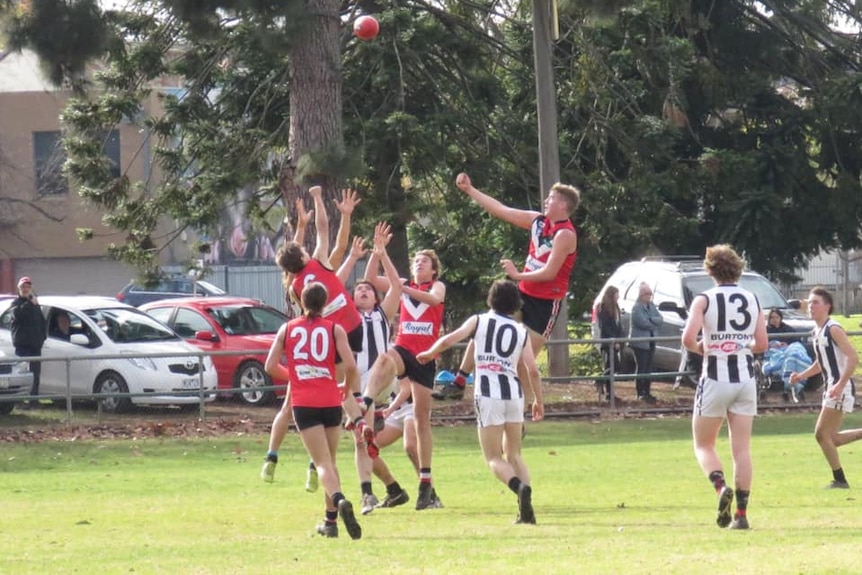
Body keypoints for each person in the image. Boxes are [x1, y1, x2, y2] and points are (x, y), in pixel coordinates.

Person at [261, 186, 374, 484]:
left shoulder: (293, 286)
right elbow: (327, 232)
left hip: (315, 343)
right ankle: (357, 417)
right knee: (338, 388)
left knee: (289, 404)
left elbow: (292, 257)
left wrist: (299, 226)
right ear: (304, 255)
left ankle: (271, 456)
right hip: (346, 329)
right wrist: (318, 198)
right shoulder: (319, 263)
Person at [433, 173, 580, 400]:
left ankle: (526, 409)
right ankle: (459, 382)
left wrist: (517, 274)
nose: (545, 201)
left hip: (545, 305)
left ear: (562, 205)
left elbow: (550, 273)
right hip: (522, 295)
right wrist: (470, 190)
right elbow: (501, 210)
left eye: (550, 198)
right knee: (485, 328)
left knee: (523, 362)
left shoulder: (565, 235)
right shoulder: (538, 222)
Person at [417, 279, 544, 523]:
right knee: (515, 454)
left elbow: (449, 340)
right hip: (514, 395)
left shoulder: (479, 320)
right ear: (515, 303)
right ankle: (526, 510)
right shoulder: (521, 331)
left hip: (488, 394)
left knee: (493, 457)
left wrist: (430, 353)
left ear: (491, 299)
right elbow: (533, 370)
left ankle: (518, 487)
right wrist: (538, 401)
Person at [264, 282, 363, 539]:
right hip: (331, 400)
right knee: (330, 462)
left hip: (305, 402)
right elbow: (351, 365)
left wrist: (295, 377)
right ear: (325, 302)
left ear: (300, 301)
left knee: (322, 465)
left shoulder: (287, 329)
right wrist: (346, 387)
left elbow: (270, 365)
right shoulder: (334, 329)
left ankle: (339, 500)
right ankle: (330, 523)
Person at [682, 244, 768, 531]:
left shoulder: (704, 300)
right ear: (737, 268)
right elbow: (762, 344)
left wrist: (704, 347)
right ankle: (741, 515)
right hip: (745, 379)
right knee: (741, 450)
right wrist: (740, 344)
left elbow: (687, 339)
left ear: (710, 269)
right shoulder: (752, 298)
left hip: (715, 378)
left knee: (703, 444)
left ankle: (721, 489)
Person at [361, 247, 446, 510]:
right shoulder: (404, 285)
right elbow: (372, 281)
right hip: (404, 349)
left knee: (421, 421)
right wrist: (379, 253)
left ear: (433, 269)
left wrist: (401, 287)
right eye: (416, 261)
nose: (420, 264)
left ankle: (425, 481)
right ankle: (367, 401)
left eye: (425, 262)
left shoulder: (437, 286)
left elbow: (433, 300)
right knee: (385, 357)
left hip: (424, 358)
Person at [338, 222, 411, 514]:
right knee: (364, 441)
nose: (364, 292)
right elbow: (334, 286)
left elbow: (395, 285)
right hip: (353, 386)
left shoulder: (383, 314)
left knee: (361, 438)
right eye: (360, 290)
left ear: (376, 297)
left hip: (377, 384)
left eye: (369, 289)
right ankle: (391, 489)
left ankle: (367, 494)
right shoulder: (347, 316)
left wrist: (380, 254)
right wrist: (355, 257)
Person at [789, 287, 862, 489]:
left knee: (821, 434)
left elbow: (853, 357)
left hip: (840, 387)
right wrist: (801, 376)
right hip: (832, 387)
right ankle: (839, 479)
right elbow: (821, 363)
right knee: (832, 439)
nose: (811, 306)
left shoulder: (833, 328)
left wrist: (839, 385)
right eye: (810, 303)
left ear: (827, 306)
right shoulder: (817, 331)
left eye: (816, 303)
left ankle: (840, 480)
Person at [10, 276, 47, 409]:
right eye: (23, 287)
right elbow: (18, 314)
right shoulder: (16, 304)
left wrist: (42, 338)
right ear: (19, 289)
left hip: (35, 346)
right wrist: (30, 303)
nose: (25, 289)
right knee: (21, 373)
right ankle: (19, 401)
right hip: (22, 346)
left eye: (28, 287)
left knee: (35, 375)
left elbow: (42, 322)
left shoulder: (35, 305)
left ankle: (33, 400)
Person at [630, 282, 663, 403]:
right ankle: (640, 392)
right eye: (647, 294)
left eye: (650, 294)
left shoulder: (652, 306)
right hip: (640, 342)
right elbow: (641, 323)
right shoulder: (637, 307)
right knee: (642, 367)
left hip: (651, 340)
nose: (649, 296)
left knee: (649, 367)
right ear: (641, 295)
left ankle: (647, 391)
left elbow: (660, 319)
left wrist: (650, 319)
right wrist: (652, 322)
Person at [596, 285, 623, 402]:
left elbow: (618, 324)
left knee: (613, 367)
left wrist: (620, 338)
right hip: (608, 342)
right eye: (617, 294)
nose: (618, 297)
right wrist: (613, 339)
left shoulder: (615, 307)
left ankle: (609, 392)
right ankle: (601, 382)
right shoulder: (602, 307)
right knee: (612, 365)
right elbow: (605, 326)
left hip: (616, 341)